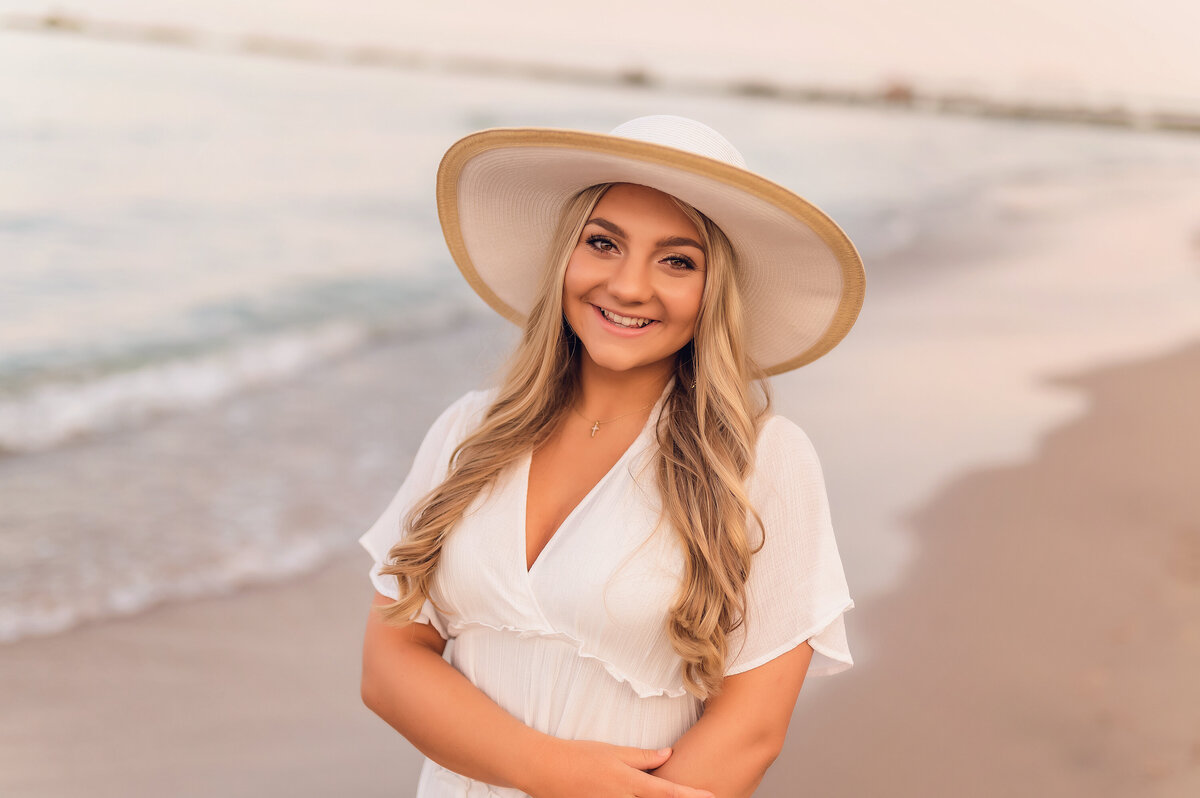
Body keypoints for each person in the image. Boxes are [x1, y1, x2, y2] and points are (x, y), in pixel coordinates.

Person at [358, 115, 865, 798]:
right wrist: (547, 769)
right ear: (565, 254)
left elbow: (750, 732)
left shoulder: (760, 460)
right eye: (604, 243)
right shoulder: (467, 431)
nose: (629, 287)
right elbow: (389, 666)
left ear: (714, 292)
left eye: (678, 260)